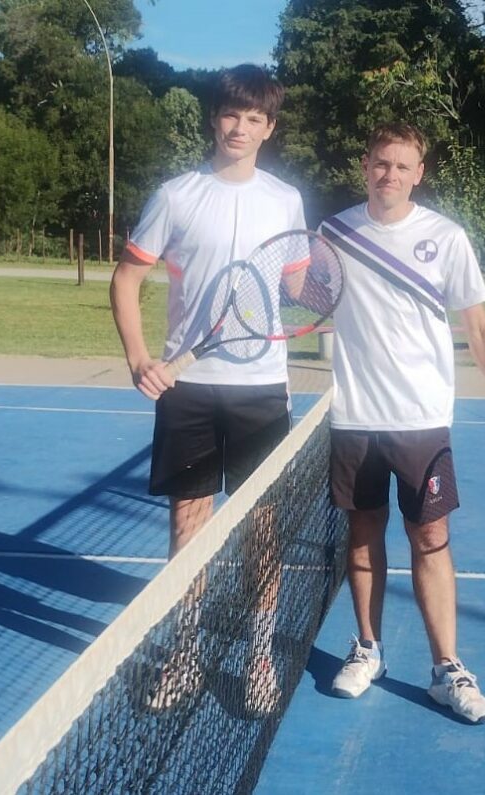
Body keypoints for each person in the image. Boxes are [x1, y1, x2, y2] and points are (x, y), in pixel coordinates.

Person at [320, 123, 485, 724]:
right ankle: (368, 650)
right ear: (364, 165)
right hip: (354, 416)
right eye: (381, 163)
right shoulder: (332, 233)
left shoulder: (445, 236)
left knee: (431, 540)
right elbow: (306, 298)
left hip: (422, 419)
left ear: (420, 173)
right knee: (362, 538)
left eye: (403, 166)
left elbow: (480, 330)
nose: (390, 175)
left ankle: (447, 670)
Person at [110, 64, 305, 714]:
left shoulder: (285, 200)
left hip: (261, 390)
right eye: (231, 114)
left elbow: (302, 286)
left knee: (262, 531)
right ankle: (186, 653)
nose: (240, 127)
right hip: (188, 390)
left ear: (269, 128)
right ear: (214, 117)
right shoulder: (177, 194)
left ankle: (257, 656)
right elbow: (126, 280)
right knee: (188, 530)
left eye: (254, 118)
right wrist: (141, 358)